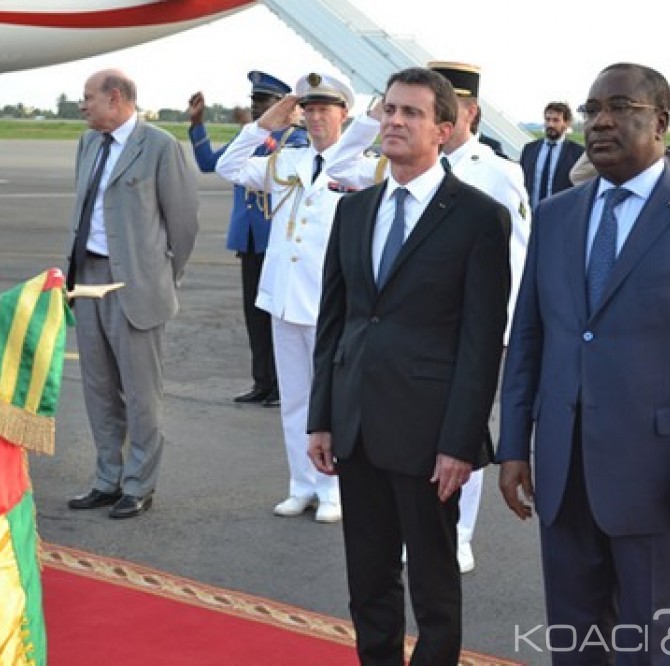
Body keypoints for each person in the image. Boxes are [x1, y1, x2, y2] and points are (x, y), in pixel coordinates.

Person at [499, 63, 670, 662]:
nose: (602, 121)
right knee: (576, 641)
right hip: (567, 478)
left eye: (621, 107)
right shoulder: (559, 215)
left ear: (661, 123)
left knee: (657, 647)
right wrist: (514, 447)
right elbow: (531, 340)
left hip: (664, 483)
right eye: (593, 110)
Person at [308, 67, 510, 664]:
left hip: (428, 437)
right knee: (367, 582)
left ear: (444, 130)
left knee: (434, 586)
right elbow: (335, 324)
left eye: (411, 113)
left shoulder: (478, 218)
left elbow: (480, 342)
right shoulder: (354, 211)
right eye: (389, 109)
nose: (394, 121)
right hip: (357, 425)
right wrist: (322, 417)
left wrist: (460, 444)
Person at [215, 72, 359, 525]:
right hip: (283, 297)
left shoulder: (358, 165)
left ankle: (333, 487)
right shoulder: (286, 161)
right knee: (295, 398)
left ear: (344, 114)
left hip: (329, 302)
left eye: (325, 109)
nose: (315, 118)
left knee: (329, 401)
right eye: (309, 109)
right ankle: (302, 485)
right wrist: (264, 126)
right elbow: (228, 166)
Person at [66, 69, 199, 520]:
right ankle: (107, 479)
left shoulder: (159, 146)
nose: (82, 105)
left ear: (115, 98)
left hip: (135, 285)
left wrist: (161, 277)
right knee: (98, 389)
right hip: (87, 278)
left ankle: (139, 484)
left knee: (142, 395)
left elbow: (183, 224)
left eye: (88, 98)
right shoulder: (87, 143)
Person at [187, 71, 307, 408]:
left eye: (263, 103)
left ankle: (283, 386)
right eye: (254, 103)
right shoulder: (252, 137)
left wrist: (260, 133)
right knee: (255, 317)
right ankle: (262, 382)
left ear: (282, 105)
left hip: (276, 241)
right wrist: (198, 125)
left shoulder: (294, 140)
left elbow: (271, 163)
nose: (256, 109)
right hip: (250, 239)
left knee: (278, 318)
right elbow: (210, 163)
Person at [519, 101, 584, 208]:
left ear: (566, 123)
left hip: (561, 215)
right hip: (531, 215)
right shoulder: (529, 150)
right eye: (547, 119)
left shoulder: (577, 153)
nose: (550, 124)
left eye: (556, 120)